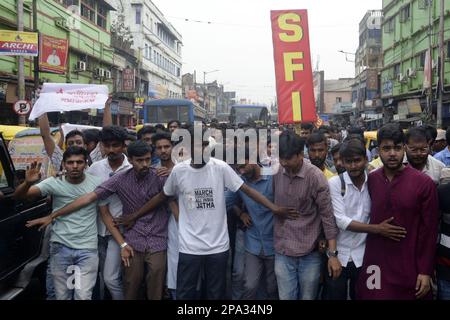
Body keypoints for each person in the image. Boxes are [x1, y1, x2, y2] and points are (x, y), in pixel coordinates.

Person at [114, 126, 297, 300]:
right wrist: (135, 215)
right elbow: (163, 196)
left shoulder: (220, 167)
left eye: (202, 145)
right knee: (186, 292)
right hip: (189, 247)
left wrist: (274, 208)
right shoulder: (179, 171)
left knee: (215, 293)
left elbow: (248, 191)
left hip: (218, 247)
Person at [34, 141, 173, 300]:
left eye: (148, 159)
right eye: (140, 160)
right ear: (131, 159)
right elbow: (88, 198)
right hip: (134, 238)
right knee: (131, 284)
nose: (145, 164)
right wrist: (54, 215)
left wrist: (171, 171)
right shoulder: (120, 179)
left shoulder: (161, 176)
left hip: (157, 238)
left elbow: (171, 195)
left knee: (156, 284)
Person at [356, 124, 439, 300]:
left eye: (397, 148)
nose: (392, 153)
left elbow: (429, 232)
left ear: (404, 149)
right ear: (378, 150)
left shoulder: (424, 184)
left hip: (410, 265)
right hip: (376, 264)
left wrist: (425, 271)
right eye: (386, 148)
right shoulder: (371, 180)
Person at [325, 139, 406, 300]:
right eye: (349, 162)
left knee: (368, 295)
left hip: (368, 256)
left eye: (357, 160)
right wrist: (377, 229)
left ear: (366, 159)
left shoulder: (375, 180)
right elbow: (340, 220)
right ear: (342, 162)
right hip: (340, 255)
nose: (353, 166)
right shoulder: (335, 183)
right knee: (335, 295)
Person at [18, 147, 101, 300]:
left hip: (88, 248)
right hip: (60, 247)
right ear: (63, 164)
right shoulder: (54, 182)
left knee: (83, 296)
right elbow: (21, 196)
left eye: (79, 162)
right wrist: (27, 184)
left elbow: (105, 212)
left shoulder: (97, 183)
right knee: (62, 296)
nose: (75, 166)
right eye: (70, 162)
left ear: (86, 164)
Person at [273, 131, 341, 300]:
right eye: (281, 158)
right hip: (283, 250)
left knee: (308, 297)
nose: (284, 163)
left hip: (310, 253)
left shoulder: (316, 178)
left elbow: (327, 217)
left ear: (300, 154)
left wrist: (332, 255)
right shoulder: (275, 171)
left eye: (288, 159)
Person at [86, 126, 132, 300]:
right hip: (97, 231)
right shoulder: (95, 168)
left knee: (111, 278)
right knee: (99, 278)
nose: (111, 150)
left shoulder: (131, 167)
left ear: (123, 145)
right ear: (102, 146)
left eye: (115, 145)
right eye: (107, 145)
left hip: (122, 232)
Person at [227, 146, 278, 300]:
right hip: (253, 242)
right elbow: (226, 201)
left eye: (243, 166)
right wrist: (240, 212)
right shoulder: (240, 182)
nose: (241, 171)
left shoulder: (273, 178)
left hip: (275, 242)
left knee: (272, 287)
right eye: (238, 168)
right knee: (249, 285)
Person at [151, 132, 178, 299]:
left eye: (167, 146)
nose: (163, 150)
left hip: (180, 221)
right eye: (159, 147)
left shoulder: (184, 168)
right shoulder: (152, 171)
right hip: (158, 224)